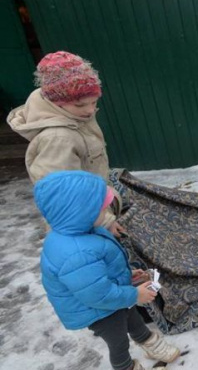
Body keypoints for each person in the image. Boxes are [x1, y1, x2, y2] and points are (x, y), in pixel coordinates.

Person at [33, 170, 181, 370]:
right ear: (79, 211)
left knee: (132, 318)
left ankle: (151, 345)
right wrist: (135, 295)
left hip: (110, 296)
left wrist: (127, 277)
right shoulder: (75, 253)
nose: (105, 211)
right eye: (100, 208)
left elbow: (100, 273)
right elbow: (97, 295)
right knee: (118, 339)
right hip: (97, 310)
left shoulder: (83, 231)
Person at [7, 51, 125, 237]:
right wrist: (105, 222)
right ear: (57, 103)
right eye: (80, 105)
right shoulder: (58, 138)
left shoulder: (77, 119)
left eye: (94, 102)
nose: (89, 110)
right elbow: (66, 195)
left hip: (94, 210)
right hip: (82, 226)